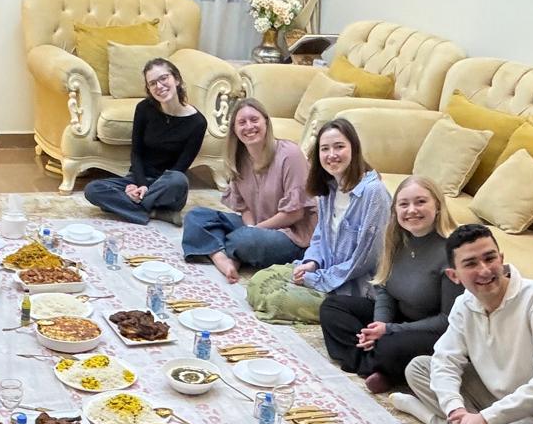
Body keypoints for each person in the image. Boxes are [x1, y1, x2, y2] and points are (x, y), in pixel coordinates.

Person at [391, 224, 533, 424]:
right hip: (492, 399)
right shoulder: (464, 304)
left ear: (501, 259)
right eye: (471, 264)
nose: (485, 270)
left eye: (490, 258)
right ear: (454, 275)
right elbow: (445, 360)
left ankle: (427, 417)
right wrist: (455, 408)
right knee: (419, 368)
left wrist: (488, 418)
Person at [319, 174, 458, 394]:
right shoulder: (395, 240)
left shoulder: (452, 251)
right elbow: (384, 290)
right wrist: (378, 326)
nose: (411, 210)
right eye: (404, 204)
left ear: (438, 206)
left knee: (389, 347)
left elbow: (447, 321)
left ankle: (378, 365)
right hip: (398, 320)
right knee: (332, 307)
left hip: (434, 332)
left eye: (420, 202)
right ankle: (380, 368)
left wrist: (389, 330)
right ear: (395, 211)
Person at [180, 98, 316, 281]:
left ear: (266, 122)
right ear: (235, 130)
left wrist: (254, 230)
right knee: (196, 216)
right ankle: (221, 257)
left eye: (254, 119)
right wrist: (250, 227)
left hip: (292, 236)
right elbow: (243, 207)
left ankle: (222, 248)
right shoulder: (239, 158)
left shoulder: (290, 154)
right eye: (242, 122)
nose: (249, 126)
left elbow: (295, 214)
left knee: (245, 240)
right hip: (258, 226)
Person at [82, 57, 206, 224]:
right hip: (138, 179)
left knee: (178, 179)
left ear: (176, 79)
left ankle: (130, 204)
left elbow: (181, 167)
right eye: (153, 83)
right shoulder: (144, 109)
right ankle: (155, 212)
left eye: (163, 78)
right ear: (148, 88)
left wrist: (146, 190)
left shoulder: (197, 122)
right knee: (93, 190)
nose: (159, 86)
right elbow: (137, 153)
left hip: (167, 187)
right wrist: (141, 184)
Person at [293, 118, 392, 296]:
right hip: (326, 275)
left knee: (276, 299)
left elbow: (364, 260)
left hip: (359, 289)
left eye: (339, 147)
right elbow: (320, 237)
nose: (332, 154)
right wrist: (312, 263)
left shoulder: (373, 192)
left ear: (354, 149)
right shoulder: (329, 187)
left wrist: (318, 279)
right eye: (325, 149)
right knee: (263, 281)